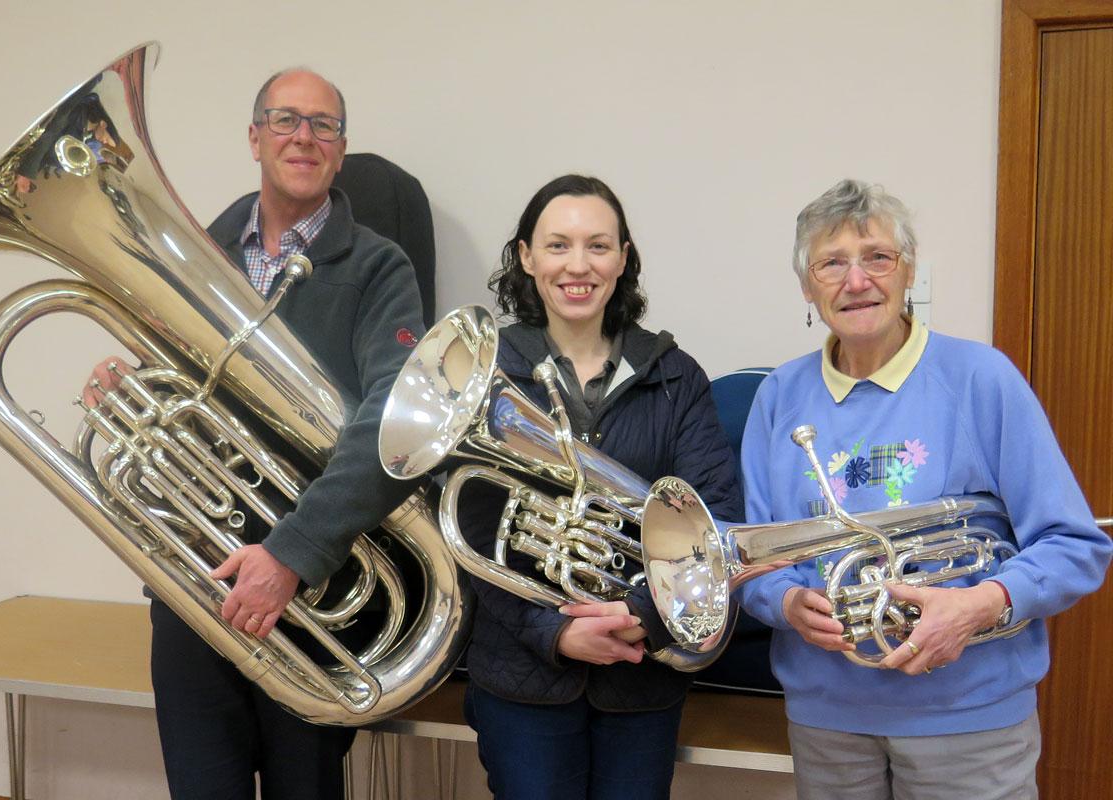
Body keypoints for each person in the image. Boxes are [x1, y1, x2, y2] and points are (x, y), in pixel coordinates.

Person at [85, 68, 428, 799]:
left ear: (341, 149)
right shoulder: (193, 257)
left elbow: (394, 419)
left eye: (323, 125)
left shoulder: (376, 266)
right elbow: (177, 394)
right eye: (284, 119)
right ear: (254, 137)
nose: (304, 136)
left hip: (311, 588)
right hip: (194, 580)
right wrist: (129, 386)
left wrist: (291, 554)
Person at [737, 178, 1112, 799]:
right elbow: (754, 554)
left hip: (968, 718)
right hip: (826, 718)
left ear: (908, 271)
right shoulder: (779, 396)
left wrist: (977, 605)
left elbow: (1075, 544)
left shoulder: (980, 378)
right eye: (832, 263)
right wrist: (784, 604)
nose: (857, 282)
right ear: (807, 286)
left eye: (878, 257)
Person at [458, 174, 743, 799]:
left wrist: (639, 615)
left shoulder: (674, 376)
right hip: (522, 675)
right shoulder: (487, 373)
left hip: (642, 675)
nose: (578, 265)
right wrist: (552, 631)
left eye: (598, 246)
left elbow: (713, 518)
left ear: (623, 258)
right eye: (557, 246)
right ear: (527, 258)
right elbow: (472, 534)